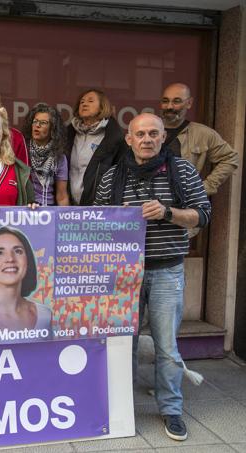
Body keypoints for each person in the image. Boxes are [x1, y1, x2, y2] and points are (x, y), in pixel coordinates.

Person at [94, 113, 211, 442]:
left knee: (167, 346)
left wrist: (168, 212)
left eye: (153, 134)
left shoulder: (182, 170)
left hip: (166, 271)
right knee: (122, 344)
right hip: (123, 276)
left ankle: (171, 409)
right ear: (129, 139)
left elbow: (203, 214)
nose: (146, 139)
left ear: (163, 138)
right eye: (140, 134)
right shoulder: (112, 176)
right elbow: (97, 223)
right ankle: (123, 408)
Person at [160, 82, 238, 196]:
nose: (170, 106)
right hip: (150, 202)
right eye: (165, 101)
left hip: (186, 203)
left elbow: (230, 158)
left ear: (189, 103)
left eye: (176, 101)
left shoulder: (203, 133)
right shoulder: (147, 129)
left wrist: (205, 187)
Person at [66, 89, 125, 206]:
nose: (84, 104)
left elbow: (121, 174)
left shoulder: (114, 138)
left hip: (99, 207)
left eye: (90, 101)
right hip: (68, 207)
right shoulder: (67, 134)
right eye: (82, 102)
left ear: (102, 107)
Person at [22, 102, 69, 206]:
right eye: (35, 121)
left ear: (52, 129)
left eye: (43, 122)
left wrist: (64, 219)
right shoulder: (23, 149)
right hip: (25, 209)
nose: (37, 125)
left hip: (49, 211)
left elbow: (62, 196)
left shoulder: (59, 157)